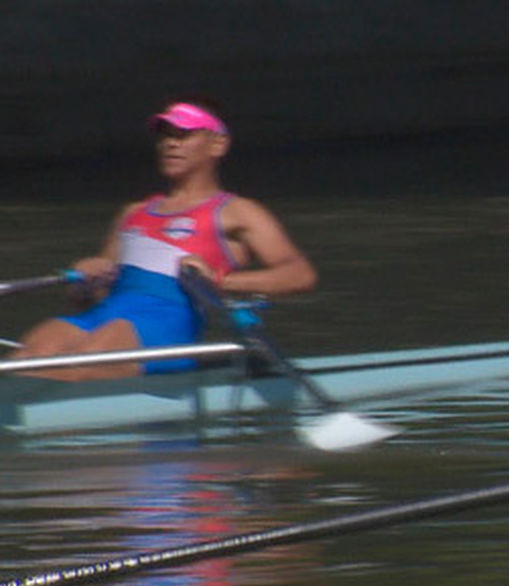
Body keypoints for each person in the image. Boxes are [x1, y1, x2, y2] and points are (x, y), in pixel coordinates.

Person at [12, 97, 317, 381]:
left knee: (96, 350)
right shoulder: (133, 213)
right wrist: (87, 282)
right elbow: (93, 297)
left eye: (183, 135)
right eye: (165, 136)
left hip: (166, 326)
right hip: (104, 315)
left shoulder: (238, 212)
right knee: (33, 350)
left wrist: (220, 282)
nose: (170, 143)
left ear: (217, 144)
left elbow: (299, 275)